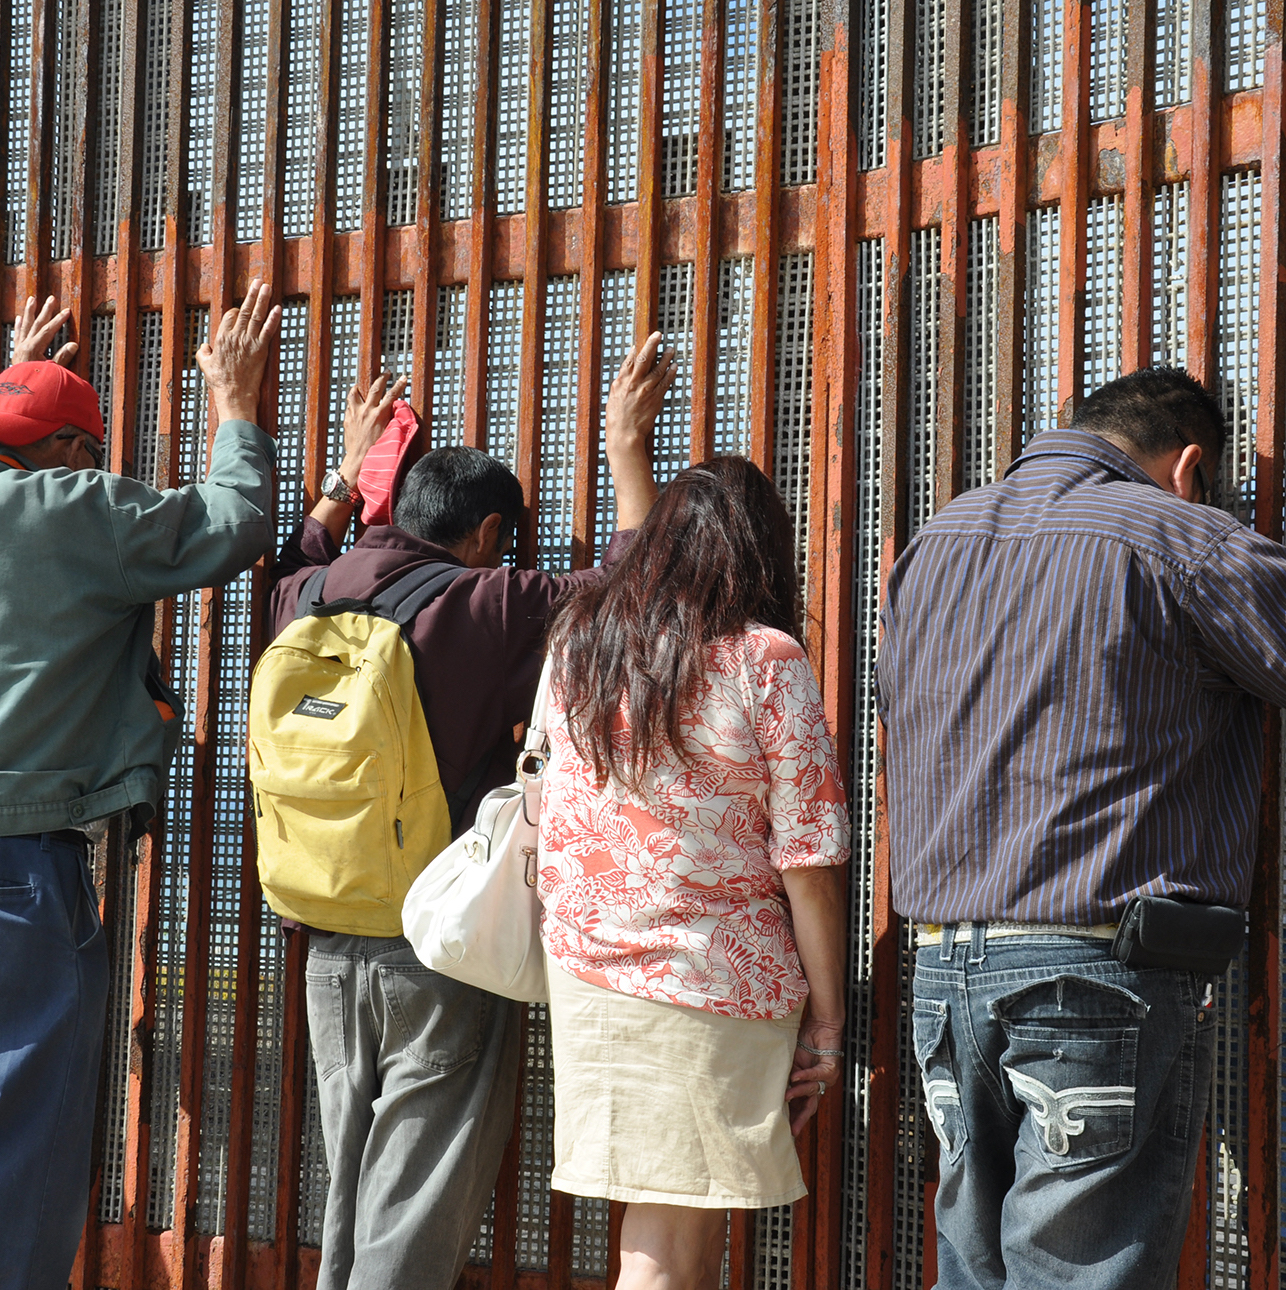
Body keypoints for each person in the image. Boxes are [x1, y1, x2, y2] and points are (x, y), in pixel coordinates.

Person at [268, 334, 677, 1290]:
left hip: (325, 927)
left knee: (350, 1185)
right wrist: (623, 450)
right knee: (414, 1198)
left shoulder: (304, 596)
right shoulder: (487, 604)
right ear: (489, 532)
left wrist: (347, 469)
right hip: (435, 939)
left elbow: (298, 547)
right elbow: (633, 596)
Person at [876, 366, 1286, 1289]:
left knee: (972, 1269)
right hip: (1093, 972)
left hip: (944, 970)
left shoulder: (931, 545)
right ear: (1188, 468)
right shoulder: (1174, 534)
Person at [0, 282, 281, 1290]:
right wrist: (238, 408)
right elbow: (234, 521)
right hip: (25, 873)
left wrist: (25, 378)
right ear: (73, 453)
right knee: (28, 1138)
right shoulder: (72, 507)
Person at [537, 455, 851, 1290]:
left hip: (589, 970)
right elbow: (810, 857)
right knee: (674, 1236)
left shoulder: (581, 641)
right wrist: (829, 1018)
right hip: (709, 976)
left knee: (679, 1211)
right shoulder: (765, 657)